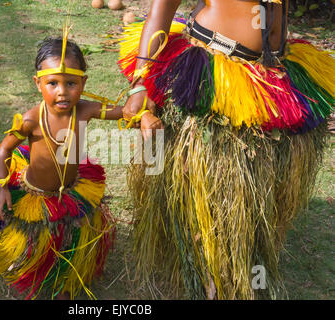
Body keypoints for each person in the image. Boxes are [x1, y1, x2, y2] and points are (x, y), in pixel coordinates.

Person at [118, 0, 333, 299]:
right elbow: (161, 8)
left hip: (270, 77)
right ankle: (213, 277)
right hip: (214, 74)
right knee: (211, 194)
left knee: (258, 194)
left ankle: (246, 260)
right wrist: (139, 85)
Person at [0, 35, 126, 300]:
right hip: (36, 192)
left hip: (71, 189)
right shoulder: (31, 120)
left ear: (83, 83)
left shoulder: (85, 110)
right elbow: (4, 150)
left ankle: (64, 280)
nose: (62, 91)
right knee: (38, 235)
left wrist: (142, 112)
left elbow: (124, 112)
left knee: (70, 234)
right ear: (38, 83)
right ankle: (33, 265)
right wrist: (1, 188)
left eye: (71, 83)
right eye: (52, 83)